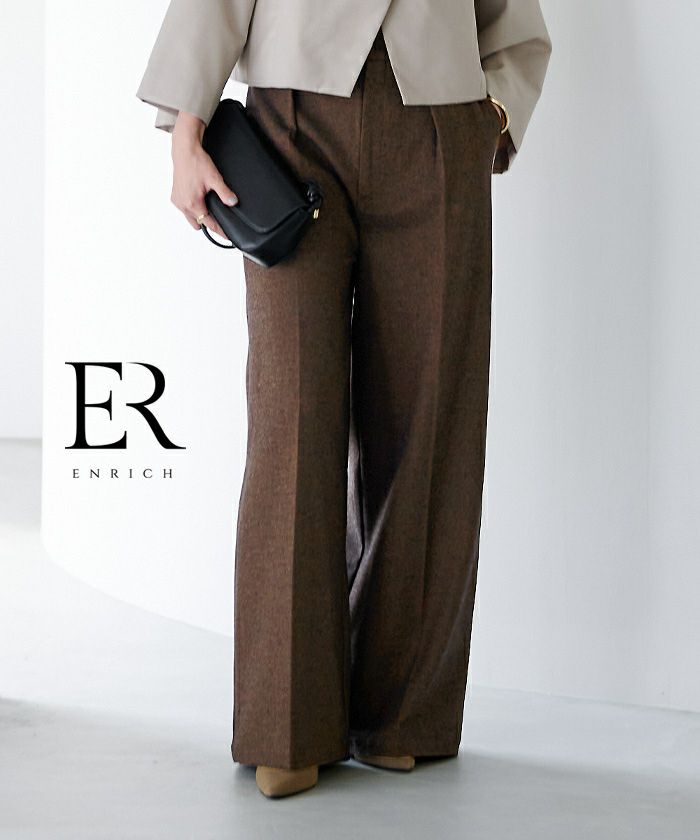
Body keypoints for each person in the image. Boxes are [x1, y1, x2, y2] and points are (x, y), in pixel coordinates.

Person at [137, 0, 552, 799]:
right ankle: (286, 723)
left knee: (429, 422)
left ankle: (403, 714)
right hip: (292, 125)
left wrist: (492, 118)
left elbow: (511, 18)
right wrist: (186, 131)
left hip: (439, 121)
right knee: (291, 420)